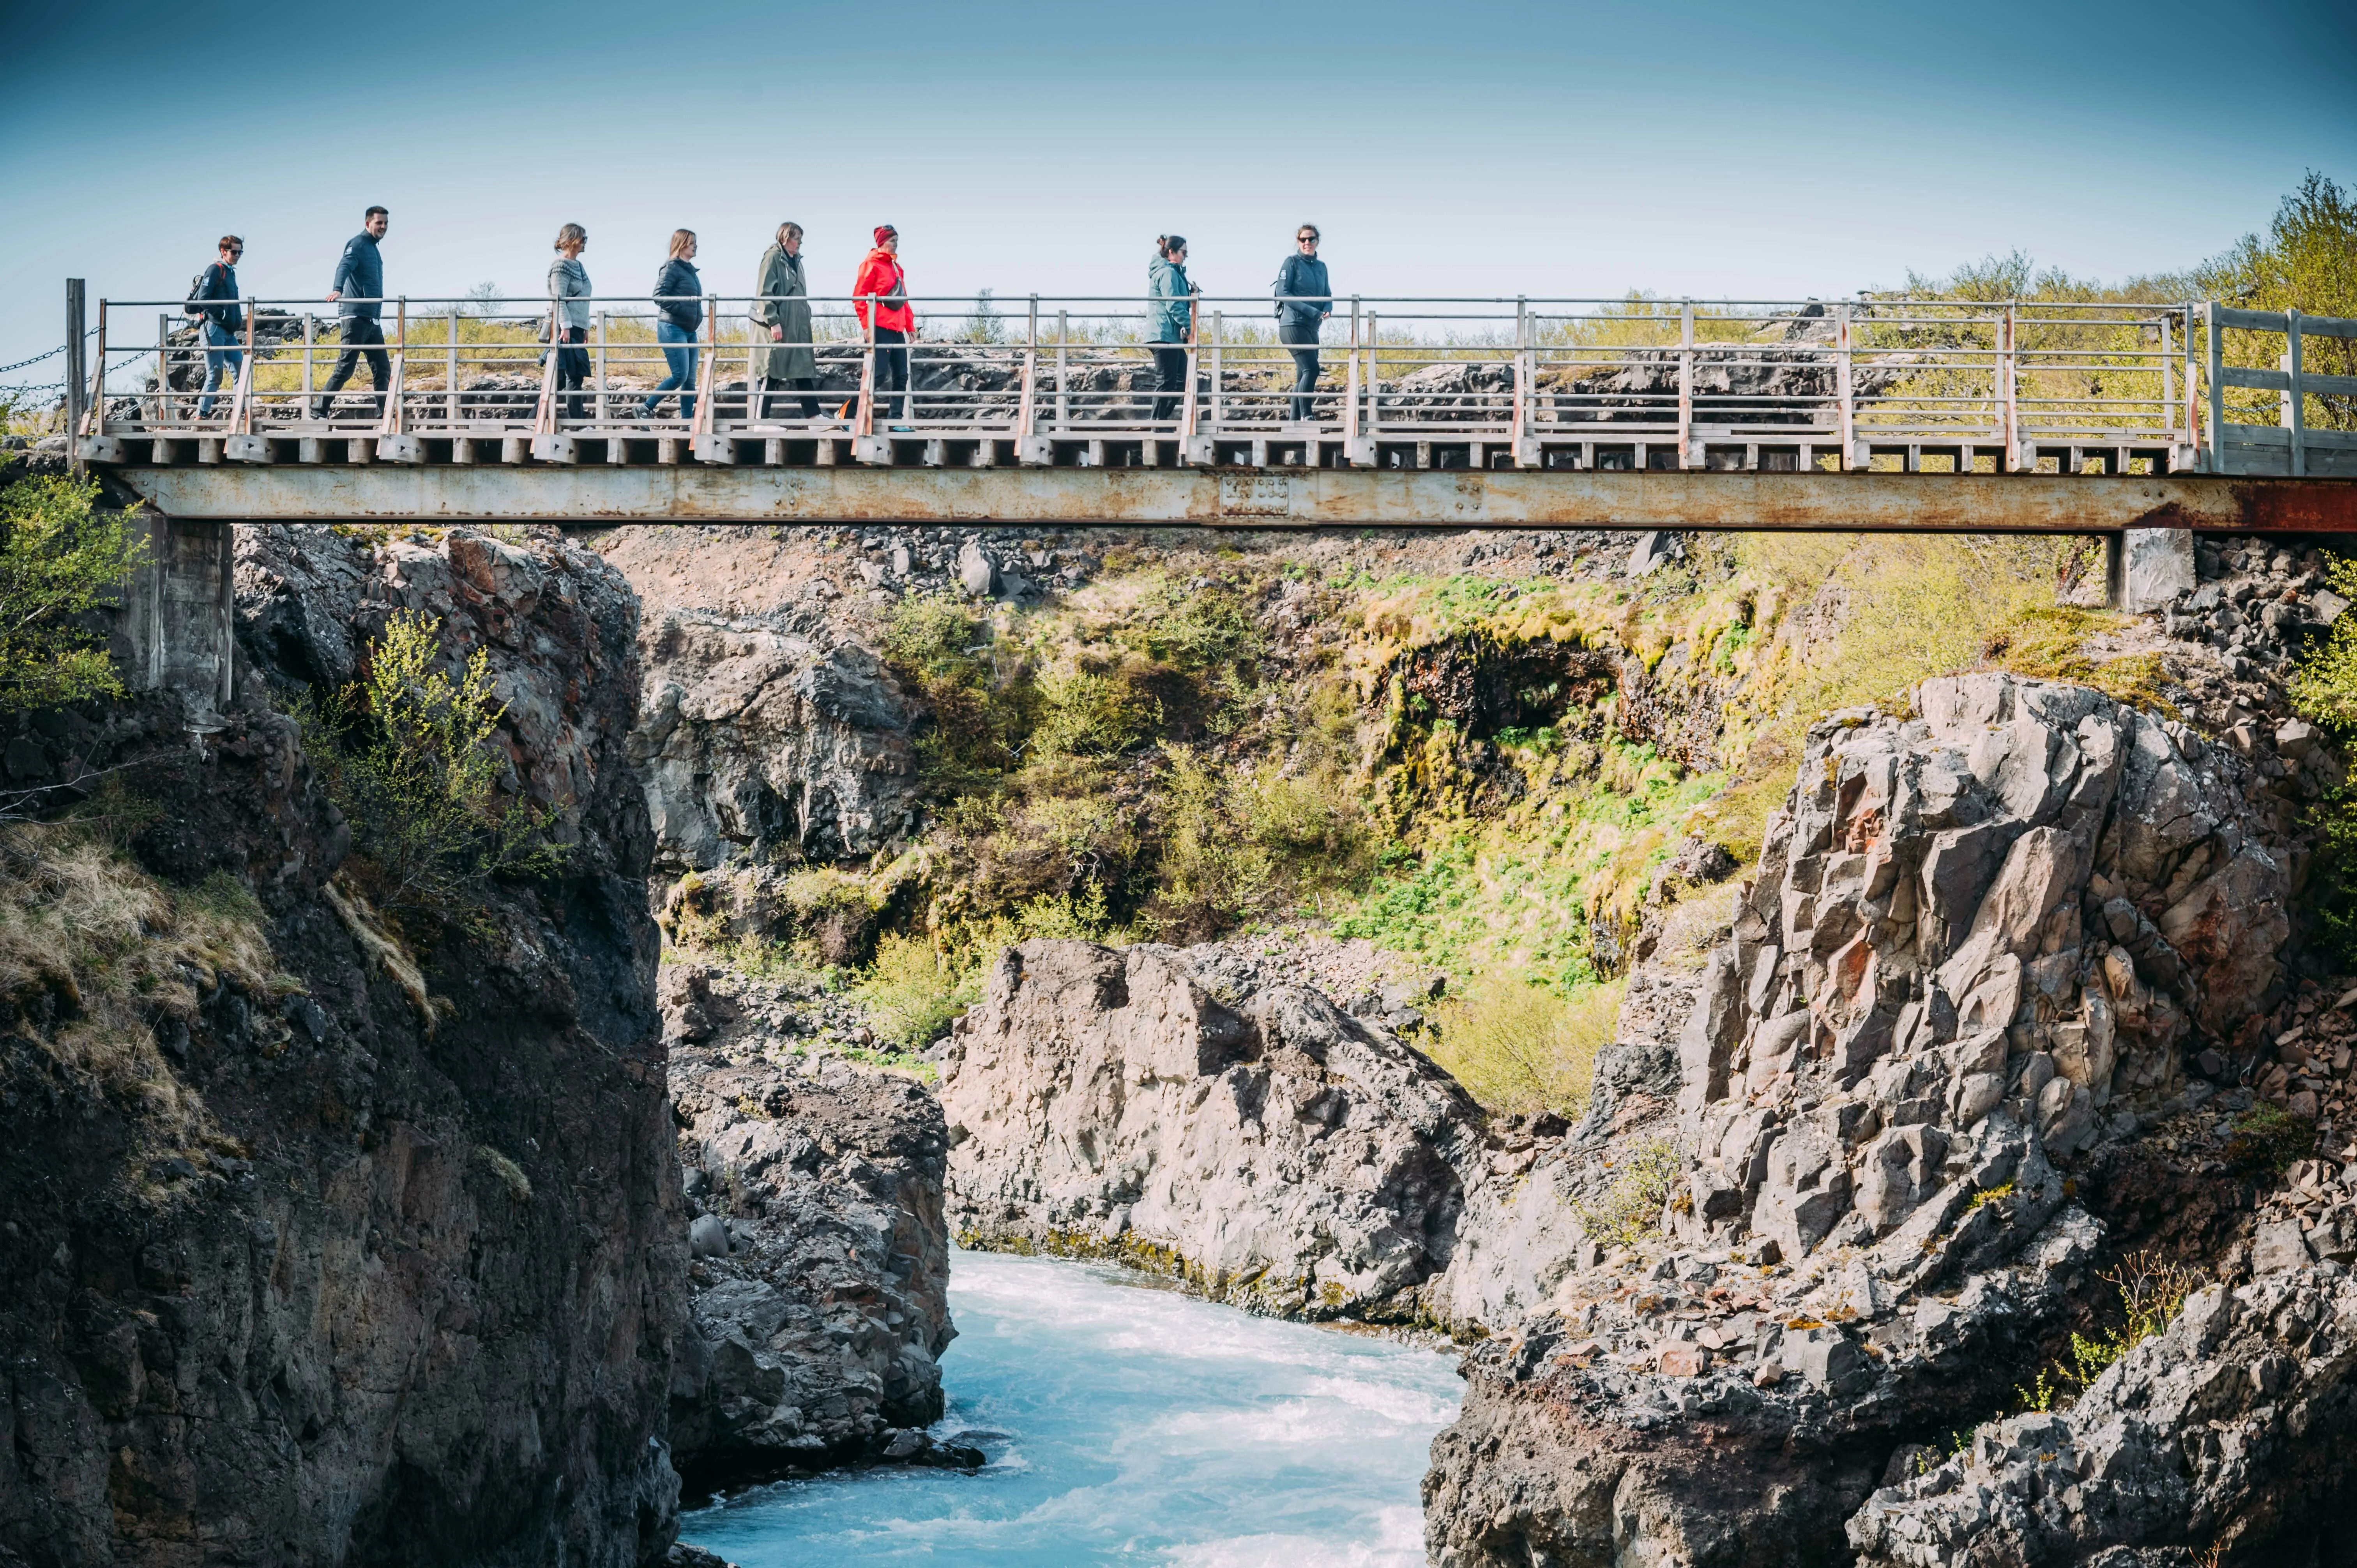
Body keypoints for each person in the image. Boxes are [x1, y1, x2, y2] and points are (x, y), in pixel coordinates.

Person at [319, 205, 391, 420]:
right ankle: (318, 410)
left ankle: (383, 415)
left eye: (386, 223)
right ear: (368, 223)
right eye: (379, 223)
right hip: (356, 317)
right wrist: (338, 289)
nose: (384, 227)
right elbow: (345, 266)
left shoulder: (374, 248)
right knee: (345, 367)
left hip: (372, 319)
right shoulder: (358, 244)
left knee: (383, 368)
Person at [753, 221, 819, 421]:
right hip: (779, 326)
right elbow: (764, 292)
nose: (800, 243)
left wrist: (806, 314)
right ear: (785, 237)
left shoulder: (797, 261)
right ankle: (761, 420)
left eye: (800, 239)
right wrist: (773, 322)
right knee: (771, 371)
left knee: (803, 369)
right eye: (796, 238)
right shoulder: (773, 258)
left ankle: (814, 417)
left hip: (797, 326)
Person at [852, 225, 913, 430]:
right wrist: (866, 326)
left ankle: (896, 420)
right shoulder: (871, 264)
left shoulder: (897, 268)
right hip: (880, 326)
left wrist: (910, 326)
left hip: (898, 330)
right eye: (892, 241)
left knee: (902, 376)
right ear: (881, 243)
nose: (896, 244)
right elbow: (860, 297)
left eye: (897, 240)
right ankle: (846, 414)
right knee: (877, 375)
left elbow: (903, 299)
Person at [641, 229, 703, 421]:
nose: (696, 246)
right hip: (672, 328)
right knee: (680, 376)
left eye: (695, 243)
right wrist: (682, 309)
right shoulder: (671, 267)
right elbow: (659, 296)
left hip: (690, 330)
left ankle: (686, 423)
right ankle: (645, 408)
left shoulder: (689, 270)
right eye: (692, 242)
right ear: (682, 244)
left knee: (690, 380)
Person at [1273, 222, 1331, 424]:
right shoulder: (1291, 262)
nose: (1307, 243)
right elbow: (1283, 293)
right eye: (1303, 239)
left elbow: (1327, 294)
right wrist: (1312, 311)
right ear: (1298, 242)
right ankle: (1307, 415)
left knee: (1303, 375)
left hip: (1313, 327)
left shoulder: (1322, 267)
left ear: (1317, 241)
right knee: (1312, 369)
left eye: (1311, 239)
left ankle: (1294, 419)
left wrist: (1328, 309)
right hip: (1293, 325)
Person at [189, 235, 245, 419]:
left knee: (242, 370)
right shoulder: (215, 269)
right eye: (234, 252)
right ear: (224, 252)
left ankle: (239, 411)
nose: (237, 255)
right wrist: (221, 314)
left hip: (228, 333)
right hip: (213, 330)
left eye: (240, 252)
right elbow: (202, 299)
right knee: (215, 376)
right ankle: (201, 414)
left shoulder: (230, 272)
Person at [547, 223, 592, 421]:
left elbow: (584, 299)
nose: (585, 243)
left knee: (559, 379)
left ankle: (533, 420)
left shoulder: (579, 266)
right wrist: (565, 326)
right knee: (574, 375)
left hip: (577, 326)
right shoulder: (560, 266)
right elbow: (558, 299)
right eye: (583, 238)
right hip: (565, 327)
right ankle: (578, 422)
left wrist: (586, 327)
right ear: (572, 240)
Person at [1147, 235, 1193, 424]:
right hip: (1163, 336)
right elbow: (1173, 305)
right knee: (1167, 381)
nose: (1186, 257)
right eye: (1184, 253)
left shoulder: (1175, 273)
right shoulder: (1168, 273)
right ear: (1172, 252)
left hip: (1172, 337)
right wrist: (1191, 327)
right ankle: (1157, 422)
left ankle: (1161, 420)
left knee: (1180, 380)